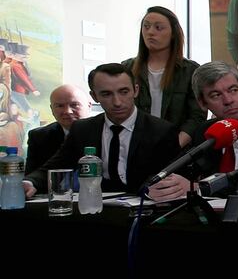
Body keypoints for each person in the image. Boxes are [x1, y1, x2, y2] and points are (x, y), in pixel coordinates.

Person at [147, 62, 238, 202]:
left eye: (233, 90)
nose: (228, 100)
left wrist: (200, 188)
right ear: (202, 103)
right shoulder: (204, 132)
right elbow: (171, 171)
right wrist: (155, 188)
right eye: (216, 95)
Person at [23, 64, 179, 197]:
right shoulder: (82, 129)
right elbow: (56, 165)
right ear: (94, 96)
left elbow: (173, 176)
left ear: (135, 90)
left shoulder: (162, 131)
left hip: (144, 210)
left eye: (124, 92)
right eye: (106, 94)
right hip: (96, 211)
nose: (117, 102)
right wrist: (30, 182)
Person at [122, 6, 206, 147]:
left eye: (158, 28)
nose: (150, 32)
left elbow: (197, 116)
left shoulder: (190, 70)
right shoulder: (127, 68)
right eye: (146, 27)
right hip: (135, 145)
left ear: (173, 33)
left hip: (177, 147)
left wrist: (176, 144)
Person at [25, 84, 92, 175]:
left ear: (89, 106)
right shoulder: (39, 136)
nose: (68, 111)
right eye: (60, 106)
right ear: (52, 109)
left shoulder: (103, 130)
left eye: (74, 105)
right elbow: (32, 177)